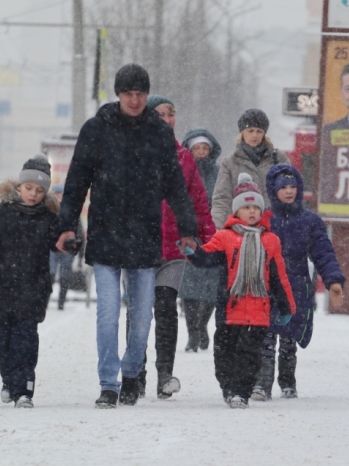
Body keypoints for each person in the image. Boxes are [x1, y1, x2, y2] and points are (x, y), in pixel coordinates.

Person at [56, 64, 198, 409]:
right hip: (105, 235)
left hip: (145, 236)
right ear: (118, 94)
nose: (134, 100)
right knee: (107, 313)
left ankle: (132, 372)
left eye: (140, 94)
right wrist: (66, 224)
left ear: (147, 96)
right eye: (128, 94)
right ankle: (108, 382)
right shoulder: (95, 130)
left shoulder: (158, 133)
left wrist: (187, 227)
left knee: (142, 316)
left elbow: (176, 185)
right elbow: (77, 181)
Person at [129, 95, 215, 400]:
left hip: (173, 248)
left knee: (165, 309)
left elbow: (199, 203)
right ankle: (134, 372)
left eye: (171, 114)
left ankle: (165, 374)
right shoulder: (130, 151)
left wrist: (209, 240)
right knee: (139, 314)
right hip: (138, 249)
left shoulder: (184, 158)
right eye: (160, 114)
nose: (166, 119)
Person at [185, 173, 296, 408]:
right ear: (236, 211)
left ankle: (241, 392)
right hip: (229, 309)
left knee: (249, 355)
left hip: (258, 312)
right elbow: (207, 258)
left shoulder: (271, 241)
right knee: (223, 354)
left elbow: (279, 277)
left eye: (256, 206)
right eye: (247, 207)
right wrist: (193, 251)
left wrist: (287, 306)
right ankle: (228, 387)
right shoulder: (224, 237)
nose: (252, 211)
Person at [0, 155, 60, 409]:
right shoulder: (2, 213)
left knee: (25, 341)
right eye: (29, 188)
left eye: (40, 190)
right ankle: (9, 381)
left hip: (33, 289)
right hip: (1, 288)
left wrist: (72, 241)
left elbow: (62, 241)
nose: (33, 194)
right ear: (19, 186)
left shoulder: (48, 217)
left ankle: (24, 391)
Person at [251, 164, 345, 401]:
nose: (289, 191)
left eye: (293, 186)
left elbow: (323, 252)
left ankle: (288, 381)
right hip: (267, 285)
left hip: (296, 285)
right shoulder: (263, 219)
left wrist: (333, 280)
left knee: (290, 336)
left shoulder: (309, 220)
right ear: (274, 190)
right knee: (267, 335)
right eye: (284, 187)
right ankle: (262, 382)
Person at [179, 128, 223, 352]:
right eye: (197, 148)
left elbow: (223, 199)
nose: (201, 152)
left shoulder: (219, 173)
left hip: (212, 234)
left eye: (205, 148)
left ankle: (201, 325)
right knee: (187, 287)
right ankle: (191, 333)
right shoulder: (181, 170)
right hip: (187, 233)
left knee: (211, 286)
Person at [211, 108, 290, 229]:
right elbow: (222, 198)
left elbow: (290, 193)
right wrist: (216, 227)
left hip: (273, 227)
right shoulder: (230, 162)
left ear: (264, 133)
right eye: (250, 130)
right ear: (242, 132)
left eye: (259, 131)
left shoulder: (279, 159)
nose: (254, 135)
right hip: (240, 229)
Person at [48, 184, 83, 311]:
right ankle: (45, 301)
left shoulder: (72, 211)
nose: (58, 196)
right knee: (50, 274)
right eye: (55, 193)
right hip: (52, 249)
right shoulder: (48, 210)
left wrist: (79, 251)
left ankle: (61, 303)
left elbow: (79, 230)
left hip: (67, 249)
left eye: (59, 193)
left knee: (64, 276)